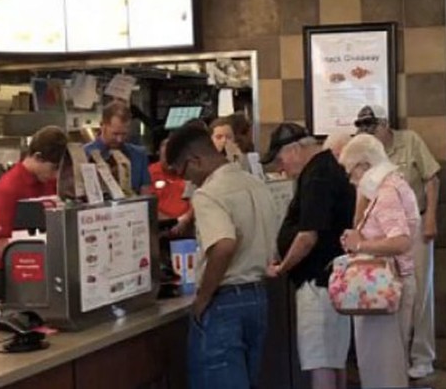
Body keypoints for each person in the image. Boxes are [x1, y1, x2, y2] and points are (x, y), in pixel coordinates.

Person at [165, 126, 278, 389]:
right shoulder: (255, 183)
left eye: (184, 172)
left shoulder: (208, 194)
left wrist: (203, 298)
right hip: (258, 297)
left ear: (196, 160)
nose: (187, 181)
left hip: (225, 301)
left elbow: (224, 244)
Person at [261, 123, 354, 389]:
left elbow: (307, 235)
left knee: (320, 359)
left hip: (318, 283)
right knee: (334, 357)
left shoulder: (317, 176)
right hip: (333, 278)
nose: (281, 168)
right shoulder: (326, 168)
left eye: (281, 159)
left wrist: (283, 267)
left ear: (294, 150)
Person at [354, 104, 439, 379]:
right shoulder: (366, 153)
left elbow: (432, 178)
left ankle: (422, 355)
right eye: (364, 127)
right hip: (384, 236)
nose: (370, 133)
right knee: (393, 295)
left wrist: (431, 219)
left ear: (385, 124)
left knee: (420, 293)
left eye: (373, 126)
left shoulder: (410, 140)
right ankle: (396, 357)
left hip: (414, 227)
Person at [338, 133, 418, 389]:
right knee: (386, 364)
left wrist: (360, 245)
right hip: (386, 286)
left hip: (383, 289)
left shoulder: (386, 193)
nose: (350, 179)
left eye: (351, 171)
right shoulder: (390, 185)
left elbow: (401, 241)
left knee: (381, 366)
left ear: (364, 166)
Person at [0, 126, 67, 300]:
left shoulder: (47, 182)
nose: (55, 175)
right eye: (53, 168)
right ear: (37, 157)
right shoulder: (8, 188)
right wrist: (27, 276)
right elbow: (2, 243)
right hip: (12, 273)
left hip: (44, 267)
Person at [84, 101, 151, 194]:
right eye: (115, 134)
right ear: (102, 125)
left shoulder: (139, 155)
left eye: (124, 134)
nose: (119, 139)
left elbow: (145, 193)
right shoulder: (84, 155)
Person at [148, 138, 193, 236]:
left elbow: (196, 200)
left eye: (173, 158)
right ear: (159, 155)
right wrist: (170, 222)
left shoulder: (190, 172)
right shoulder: (150, 173)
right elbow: (149, 205)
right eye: (166, 158)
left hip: (188, 225)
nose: (170, 162)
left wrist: (185, 219)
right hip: (161, 228)